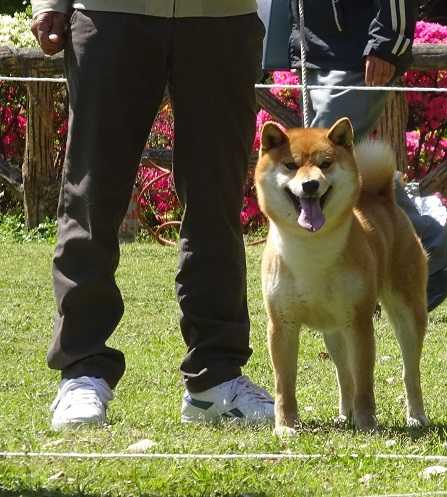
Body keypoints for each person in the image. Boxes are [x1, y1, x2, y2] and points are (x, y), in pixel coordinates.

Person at [31, 0, 275, 430]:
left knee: (217, 203)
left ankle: (216, 378)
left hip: (222, 18)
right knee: (91, 196)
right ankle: (81, 372)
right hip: (110, 13)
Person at [282, 0, 447, 311]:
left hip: (359, 52)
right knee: (347, 173)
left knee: (326, 165)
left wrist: (387, 42)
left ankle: (426, 252)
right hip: (315, 48)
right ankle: (429, 247)